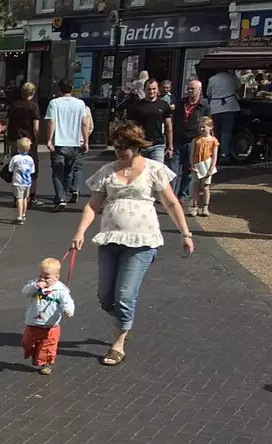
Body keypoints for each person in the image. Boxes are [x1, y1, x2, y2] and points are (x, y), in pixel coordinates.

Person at [72, 121, 195, 366]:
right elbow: (93, 205)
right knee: (106, 297)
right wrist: (80, 232)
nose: (118, 150)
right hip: (110, 239)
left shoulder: (153, 169)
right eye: (116, 145)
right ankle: (123, 322)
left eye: (124, 146)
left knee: (125, 295)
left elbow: (171, 203)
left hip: (142, 241)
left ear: (137, 146)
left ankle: (118, 342)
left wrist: (186, 233)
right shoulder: (107, 170)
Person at [22, 256, 75, 375]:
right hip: (33, 323)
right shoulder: (35, 284)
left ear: (57, 277)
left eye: (46, 277)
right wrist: (35, 286)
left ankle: (46, 363)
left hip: (51, 326)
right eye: (40, 276)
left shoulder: (60, 290)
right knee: (27, 343)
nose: (42, 279)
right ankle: (34, 353)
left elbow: (68, 302)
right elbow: (25, 292)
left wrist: (68, 310)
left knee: (48, 345)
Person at [44, 80, 91, 210]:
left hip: (59, 142)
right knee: (69, 171)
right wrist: (85, 141)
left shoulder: (54, 103)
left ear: (59, 90)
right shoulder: (80, 104)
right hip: (75, 142)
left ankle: (61, 197)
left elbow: (51, 122)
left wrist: (49, 140)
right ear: (72, 88)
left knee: (57, 172)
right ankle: (65, 193)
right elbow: (84, 123)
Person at [170, 78, 206, 202]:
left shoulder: (204, 106)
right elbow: (172, 120)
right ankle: (171, 195)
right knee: (173, 169)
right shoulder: (180, 103)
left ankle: (182, 194)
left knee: (189, 170)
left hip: (193, 141)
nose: (190, 91)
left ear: (199, 90)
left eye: (193, 89)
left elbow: (208, 124)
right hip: (178, 139)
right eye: (189, 88)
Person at [6, 82, 43, 206]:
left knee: (17, 168)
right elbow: (36, 127)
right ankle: (31, 197)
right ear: (33, 93)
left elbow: (8, 122)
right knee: (32, 169)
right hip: (28, 140)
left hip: (15, 139)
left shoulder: (14, 105)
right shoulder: (34, 107)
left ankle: (17, 197)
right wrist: (37, 140)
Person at [123, 79, 173, 167]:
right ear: (144, 90)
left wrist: (170, 146)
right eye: (149, 89)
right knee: (139, 172)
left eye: (154, 89)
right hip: (140, 144)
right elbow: (129, 126)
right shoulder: (136, 106)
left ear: (158, 89)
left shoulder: (164, 105)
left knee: (157, 172)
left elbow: (168, 126)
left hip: (157, 145)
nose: (151, 91)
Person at [205, 66, 242, 164]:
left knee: (216, 132)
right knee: (226, 132)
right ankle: (224, 155)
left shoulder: (212, 79)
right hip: (229, 107)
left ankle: (215, 154)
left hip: (215, 108)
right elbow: (239, 87)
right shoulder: (232, 77)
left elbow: (208, 93)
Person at [189, 115, 219, 217]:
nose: (202, 129)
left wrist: (211, 168)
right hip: (197, 165)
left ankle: (205, 207)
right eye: (200, 127)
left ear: (210, 127)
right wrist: (192, 165)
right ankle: (195, 207)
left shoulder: (213, 141)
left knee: (205, 187)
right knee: (196, 186)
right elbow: (192, 153)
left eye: (204, 127)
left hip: (207, 165)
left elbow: (214, 156)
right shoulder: (196, 140)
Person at [8, 141, 36, 224]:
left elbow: (10, 169)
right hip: (27, 182)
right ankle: (23, 214)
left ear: (18, 148)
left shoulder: (15, 158)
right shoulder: (30, 159)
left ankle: (19, 216)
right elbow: (32, 171)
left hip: (18, 181)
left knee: (19, 199)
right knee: (25, 198)